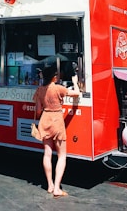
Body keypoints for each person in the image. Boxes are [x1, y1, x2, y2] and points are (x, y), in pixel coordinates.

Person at [32, 66, 80, 199]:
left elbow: (38, 111)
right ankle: (57, 188)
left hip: (45, 120)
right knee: (61, 155)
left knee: (47, 154)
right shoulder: (59, 88)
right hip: (57, 120)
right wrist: (75, 82)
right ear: (54, 77)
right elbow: (76, 93)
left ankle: (50, 185)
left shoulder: (40, 90)